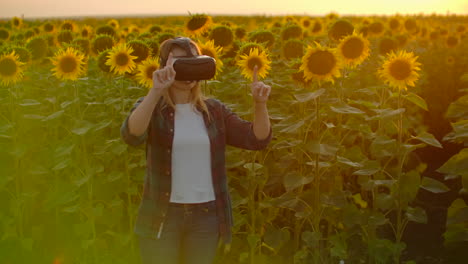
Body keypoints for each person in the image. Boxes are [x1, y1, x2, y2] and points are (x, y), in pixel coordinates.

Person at [120, 36, 273, 264]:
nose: (188, 71)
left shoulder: (213, 111)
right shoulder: (155, 108)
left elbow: (256, 139)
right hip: (163, 214)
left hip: (206, 216)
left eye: (194, 62)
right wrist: (155, 91)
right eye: (181, 63)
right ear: (165, 66)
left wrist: (260, 105)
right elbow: (132, 135)